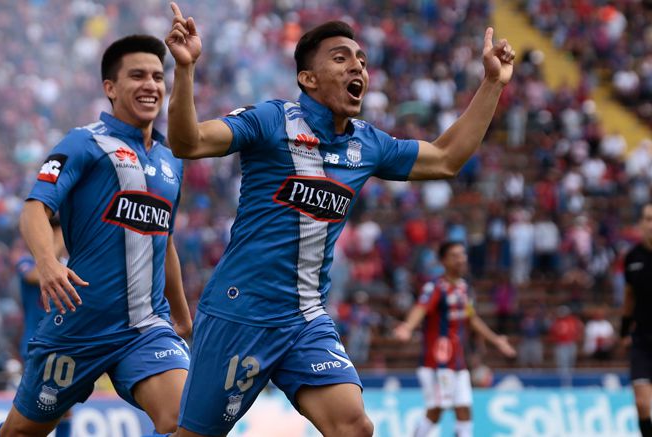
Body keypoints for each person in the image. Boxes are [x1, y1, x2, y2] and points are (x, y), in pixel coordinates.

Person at [163, 3, 514, 436]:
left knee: (354, 426)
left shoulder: (367, 144)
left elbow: (444, 159)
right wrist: (185, 70)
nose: (358, 67)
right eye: (341, 57)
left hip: (305, 318)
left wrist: (492, 84)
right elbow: (188, 141)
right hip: (240, 312)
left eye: (362, 60)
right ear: (307, 79)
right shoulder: (272, 121)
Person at [0, 34, 192, 437]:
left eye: (156, 76)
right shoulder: (83, 142)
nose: (150, 84)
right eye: (137, 76)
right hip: (79, 329)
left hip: (146, 329)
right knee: (19, 433)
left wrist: (182, 315)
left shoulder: (171, 160)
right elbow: (34, 210)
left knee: (187, 420)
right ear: (110, 88)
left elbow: (163, 240)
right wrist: (47, 263)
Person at [394, 242, 516, 437]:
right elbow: (421, 308)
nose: (460, 259)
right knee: (437, 410)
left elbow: (472, 319)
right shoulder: (435, 287)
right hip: (437, 362)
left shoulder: (463, 288)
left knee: (464, 409)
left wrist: (496, 340)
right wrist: (407, 327)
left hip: (458, 362)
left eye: (462, 255)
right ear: (443, 261)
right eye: (454, 255)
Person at [14, 216, 72, 436]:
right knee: (29, 411)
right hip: (34, 344)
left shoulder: (69, 265)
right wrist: (53, 245)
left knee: (65, 409)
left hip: (62, 344)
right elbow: (35, 276)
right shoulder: (26, 261)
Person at [621, 202, 652, 437]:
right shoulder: (632, 257)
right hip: (642, 338)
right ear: (640, 224)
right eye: (647, 219)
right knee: (642, 404)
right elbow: (629, 296)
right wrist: (623, 330)